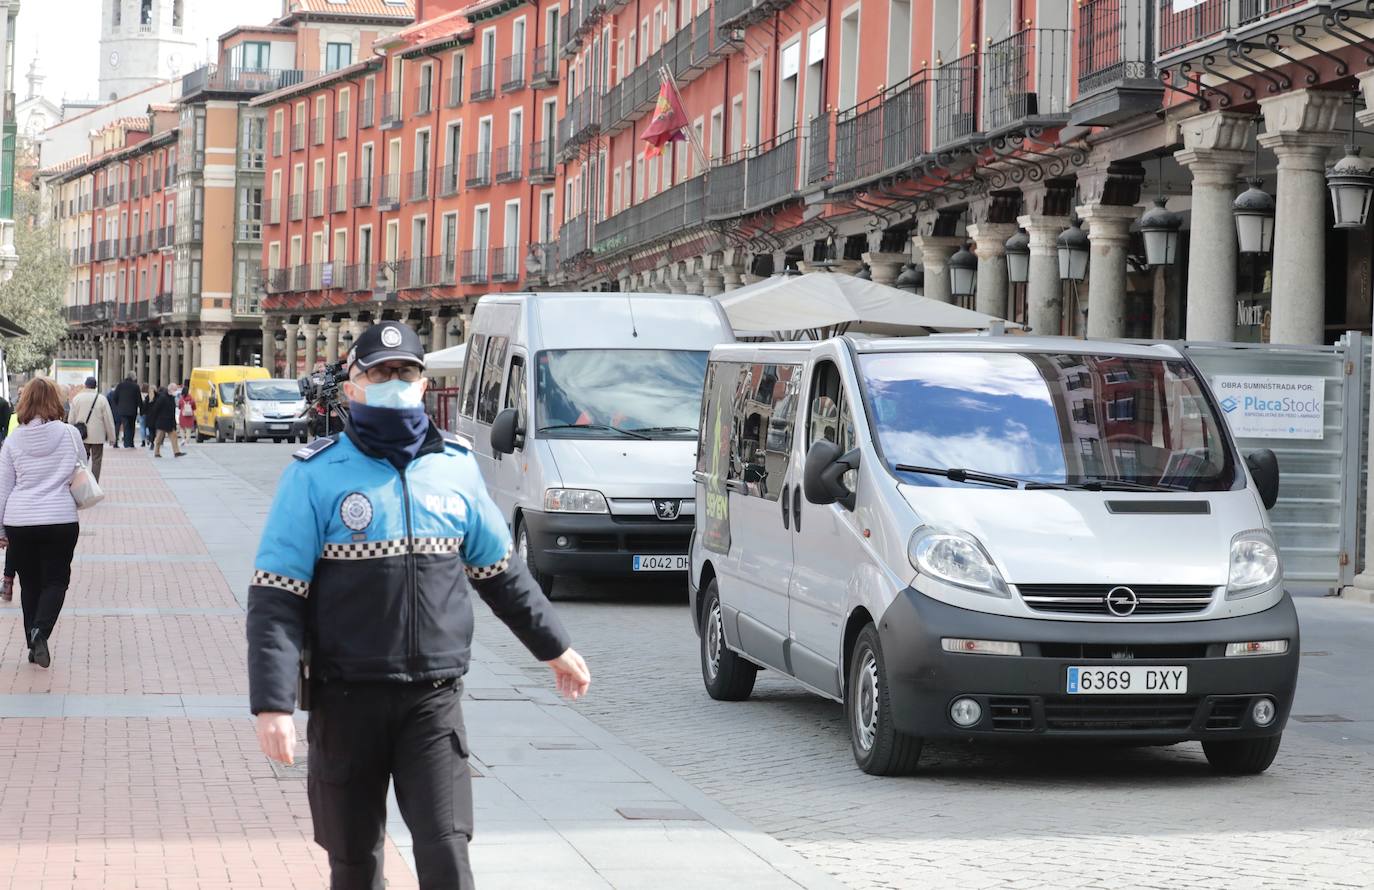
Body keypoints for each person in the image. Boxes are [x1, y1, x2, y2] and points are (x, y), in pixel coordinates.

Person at [248, 321, 590, 890]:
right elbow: (275, 599)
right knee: (355, 864)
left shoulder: (455, 467)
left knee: (447, 855)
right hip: (344, 700)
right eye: (379, 373)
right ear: (351, 387)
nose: (394, 382)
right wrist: (272, 705)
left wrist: (555, 647)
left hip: (431, 704)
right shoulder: (313, 475)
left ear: (424, 384)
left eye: (405, 372)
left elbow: (501, 573)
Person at [0, 377, 87, 668]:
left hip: (20, 519)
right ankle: (41, 632)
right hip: (59, 517)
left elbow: (3, 487)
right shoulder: (69, 434)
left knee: (30, 583)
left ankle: (31, 642)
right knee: (56, 580)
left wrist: (0, 528)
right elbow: (81, 466)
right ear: (56, 401)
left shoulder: (12, 440)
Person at [66, 377, 117, 482]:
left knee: (82, 460)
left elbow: (71, 419)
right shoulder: (102, 399)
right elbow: (108, 419)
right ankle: (94, 483)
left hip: (81, 435)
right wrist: (112, 437)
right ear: (95, 386)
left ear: (85, 385)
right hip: (98, 436)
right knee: (97, 460)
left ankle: (81, 482)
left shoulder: (77, 398)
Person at [150, 385, 183, 458]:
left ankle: (176, 452)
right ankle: (156, 452)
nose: (175, 392)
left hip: (170, 422)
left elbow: (172, 411)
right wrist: (155, 419)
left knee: (174, 437)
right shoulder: (162, 397)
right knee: (159, 438)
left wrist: (174, 423)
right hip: (162, 421)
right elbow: (156, 408)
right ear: (170, 389)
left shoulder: (171, 398)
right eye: (175, 390)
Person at [113, 374, 142, 449]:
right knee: (132, 426)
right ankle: (131, 443)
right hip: (132, 410)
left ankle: (126, 443)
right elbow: (139, 399)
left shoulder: (120, 385)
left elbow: (115, 397)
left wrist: (118, 406)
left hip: (122, 410)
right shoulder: (136, 386)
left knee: (125, 426)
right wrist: (141, 408)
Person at [177, 379, 196, 448]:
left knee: (182, 428)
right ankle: (187, 440)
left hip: (183, 415)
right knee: (189, 429)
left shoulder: (181, 399)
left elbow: (179, 406)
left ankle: (183, 439)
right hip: (190, 415)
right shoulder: (191, 398)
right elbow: (194, 406)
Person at [140, 385, 155, 449]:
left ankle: (143, 441)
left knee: (142, 427)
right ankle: (149, 437)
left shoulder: (141, 395)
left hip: (143, 413)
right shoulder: (152, 396)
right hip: (150, 414)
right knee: (148, 426)